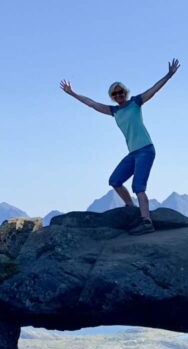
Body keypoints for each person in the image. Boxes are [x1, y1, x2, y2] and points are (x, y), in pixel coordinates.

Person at [60, 59, 180, 234]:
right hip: (133, 153)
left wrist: (169, 75)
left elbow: (153, 90)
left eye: (120, 92)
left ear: (125, 92)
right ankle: (131, 207)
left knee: (138, 187)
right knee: (115, 180)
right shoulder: (114, 111)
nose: (118, 96)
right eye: (114, 94)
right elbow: (92, 104)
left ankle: (146, 222)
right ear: (112, 97)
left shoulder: (136, 103)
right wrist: (72, 93)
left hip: (146, 150)